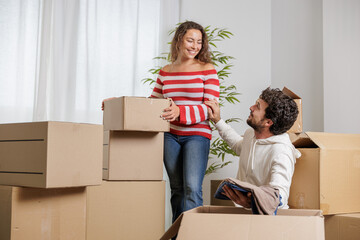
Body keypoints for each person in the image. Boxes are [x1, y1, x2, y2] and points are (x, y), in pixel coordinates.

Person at [150, 21, 219, 222]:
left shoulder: (208, 69)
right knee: (177, 188)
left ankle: (192, 234)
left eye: (199, 42)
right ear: (179, 40)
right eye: (190, 40)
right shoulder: (165, 71)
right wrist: (120, 102)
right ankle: (176, 233)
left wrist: (180, 111)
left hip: (197, 135)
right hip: (169, 135)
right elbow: (153, 103)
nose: (194, 46)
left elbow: (211, 108)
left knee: (191, 187)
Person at [205, 87, 300, 209]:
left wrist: (253, 203)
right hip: (245, 214)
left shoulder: (281, 152)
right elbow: (239, 145)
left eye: (258, 106)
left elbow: (279, 195)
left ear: (268, 122)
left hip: (269, 220)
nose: (251, 107)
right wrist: (217, 120)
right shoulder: (251, 134)